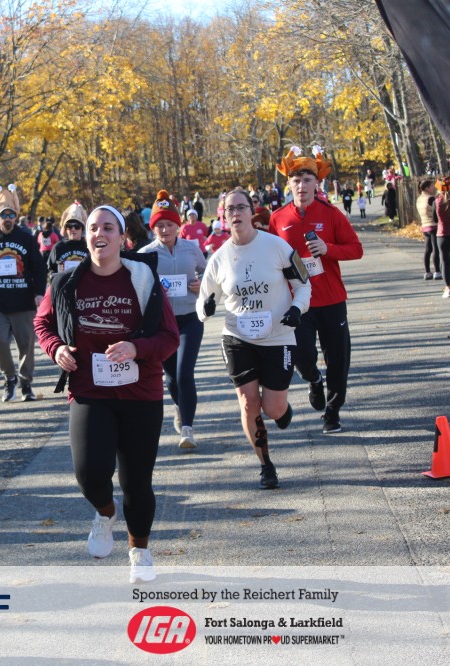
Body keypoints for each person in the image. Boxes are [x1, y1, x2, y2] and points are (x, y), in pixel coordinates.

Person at [34, 205, 179, 584]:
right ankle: (105, 512)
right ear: (85, 238)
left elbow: (169, 337)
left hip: (140, 392)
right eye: (94, 228)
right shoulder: (66, 282)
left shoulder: (143, 277)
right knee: (89, 474)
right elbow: (43, 323)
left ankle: (140, 552)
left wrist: (136, 348)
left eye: (108, 228)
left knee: (137, 482)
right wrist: (55, 349)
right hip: (89, 389)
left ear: (122, 237)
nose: (100, 234)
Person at [197, 189, 311, 489]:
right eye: (229, 209)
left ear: (251, 211)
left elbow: (304, 284)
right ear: (223, 216)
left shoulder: (276, 246)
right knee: (249, 404)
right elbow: (203, 302)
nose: (235, 213)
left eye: (241, 207)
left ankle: (281, 410)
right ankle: (266, 465)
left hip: (277, 336)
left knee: (273, 409)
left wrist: (297, 309)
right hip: (238, 338)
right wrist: (206, 308)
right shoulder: (219, 258)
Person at [269, 146, 363, 434]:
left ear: (317, 184)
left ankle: (332, 412)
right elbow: (269, 258)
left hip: (332, 299)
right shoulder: (278, 218)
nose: (302, 186)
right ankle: (313, 380)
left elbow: (356, 249)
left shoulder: (331, 214)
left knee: (338, 359)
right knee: (303, 356)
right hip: (298, 302)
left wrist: (328, 248)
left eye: (307, 180)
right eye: (296, 180)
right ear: (289, 185)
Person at [140, 189, 206, 449]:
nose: (165, 230)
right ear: (153, 228)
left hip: (190, 318)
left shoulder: (191, 248)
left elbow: (208, 273)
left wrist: (201, 285)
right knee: (170, 378)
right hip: (162, 325)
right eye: (160, 225)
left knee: (184, 373)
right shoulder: (146, 254)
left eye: (169, 224)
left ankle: (187, 429)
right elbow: (138, 287)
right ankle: (181, 408)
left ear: (178, 226)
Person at [0, 184, 46, 402]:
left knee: (26, 346)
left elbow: (38, 266)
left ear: (16, 216)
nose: (8, 219)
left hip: (24, 302)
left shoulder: (26, 238)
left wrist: (39, 292)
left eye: (11, 215)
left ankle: (26, 383)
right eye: (4, 215)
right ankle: (9, 378)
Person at [48, 201, 89, 277]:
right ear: (66, 229)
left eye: (77, 226)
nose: (73, 229)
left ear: (82, 229)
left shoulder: (89, 247)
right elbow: (51, 270)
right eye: (69, 226)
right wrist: (58, 275)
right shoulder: (58, 247)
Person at [416, 180, 442, 280]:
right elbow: (437, 209)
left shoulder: (419, 198)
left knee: (428, 249)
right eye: (431, 186)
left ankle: (427, 271)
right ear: (427, 188)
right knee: (436, 249)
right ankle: (437, 271)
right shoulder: (430, 198)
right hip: (433, 225)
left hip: (425, 225)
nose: (433, 188)